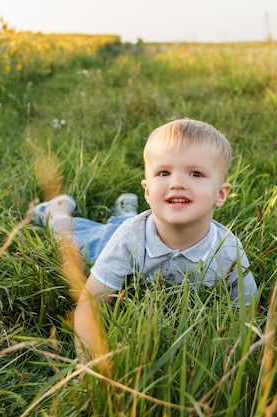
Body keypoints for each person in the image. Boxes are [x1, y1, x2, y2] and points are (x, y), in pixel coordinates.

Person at [31, 118, 258, 363]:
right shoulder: (129, 240)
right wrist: (88, 362)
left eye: (196, 173)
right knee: (73, 240)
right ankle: (56, 213)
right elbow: (91, 302)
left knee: (122, 225)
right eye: (164, 172)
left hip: (137, 226)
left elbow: (246, 310)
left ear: (220, 194)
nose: (177, 183)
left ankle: (123, 213)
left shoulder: (227, 252)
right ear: (148, 190)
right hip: (114, 240)